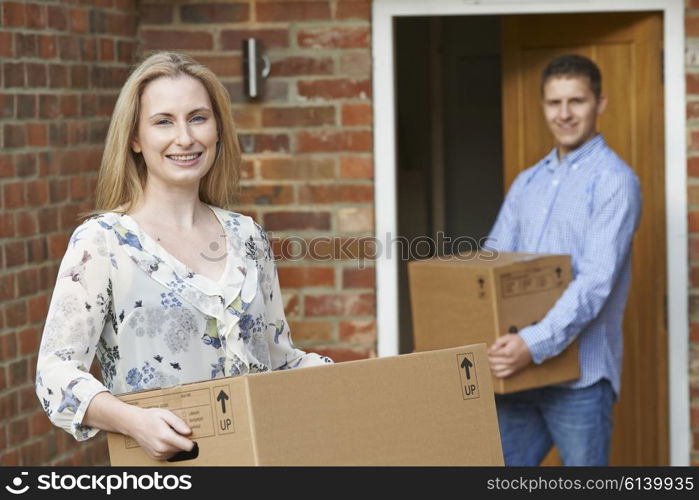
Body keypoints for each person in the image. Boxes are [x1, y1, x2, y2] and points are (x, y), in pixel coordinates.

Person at [35, 51, 332, 461]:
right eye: (163, 122)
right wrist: (132, 420)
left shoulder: (248, 237)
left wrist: (360, 382)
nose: (185, 138)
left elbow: (278, 361)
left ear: (217, 129)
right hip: (162, 473)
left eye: (198, 117)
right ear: (135, 139)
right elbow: (55, 376)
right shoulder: (102, 243)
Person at [485, 54, 641, 466]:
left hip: (581, 379)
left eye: (577, 101)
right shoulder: (527, 182)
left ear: (600, 103)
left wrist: (530, 344)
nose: (565, 114)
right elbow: (491, 263)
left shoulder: (615, 182)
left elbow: (594, 284)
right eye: (555, 103)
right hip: (517, 376)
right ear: (543, 107)